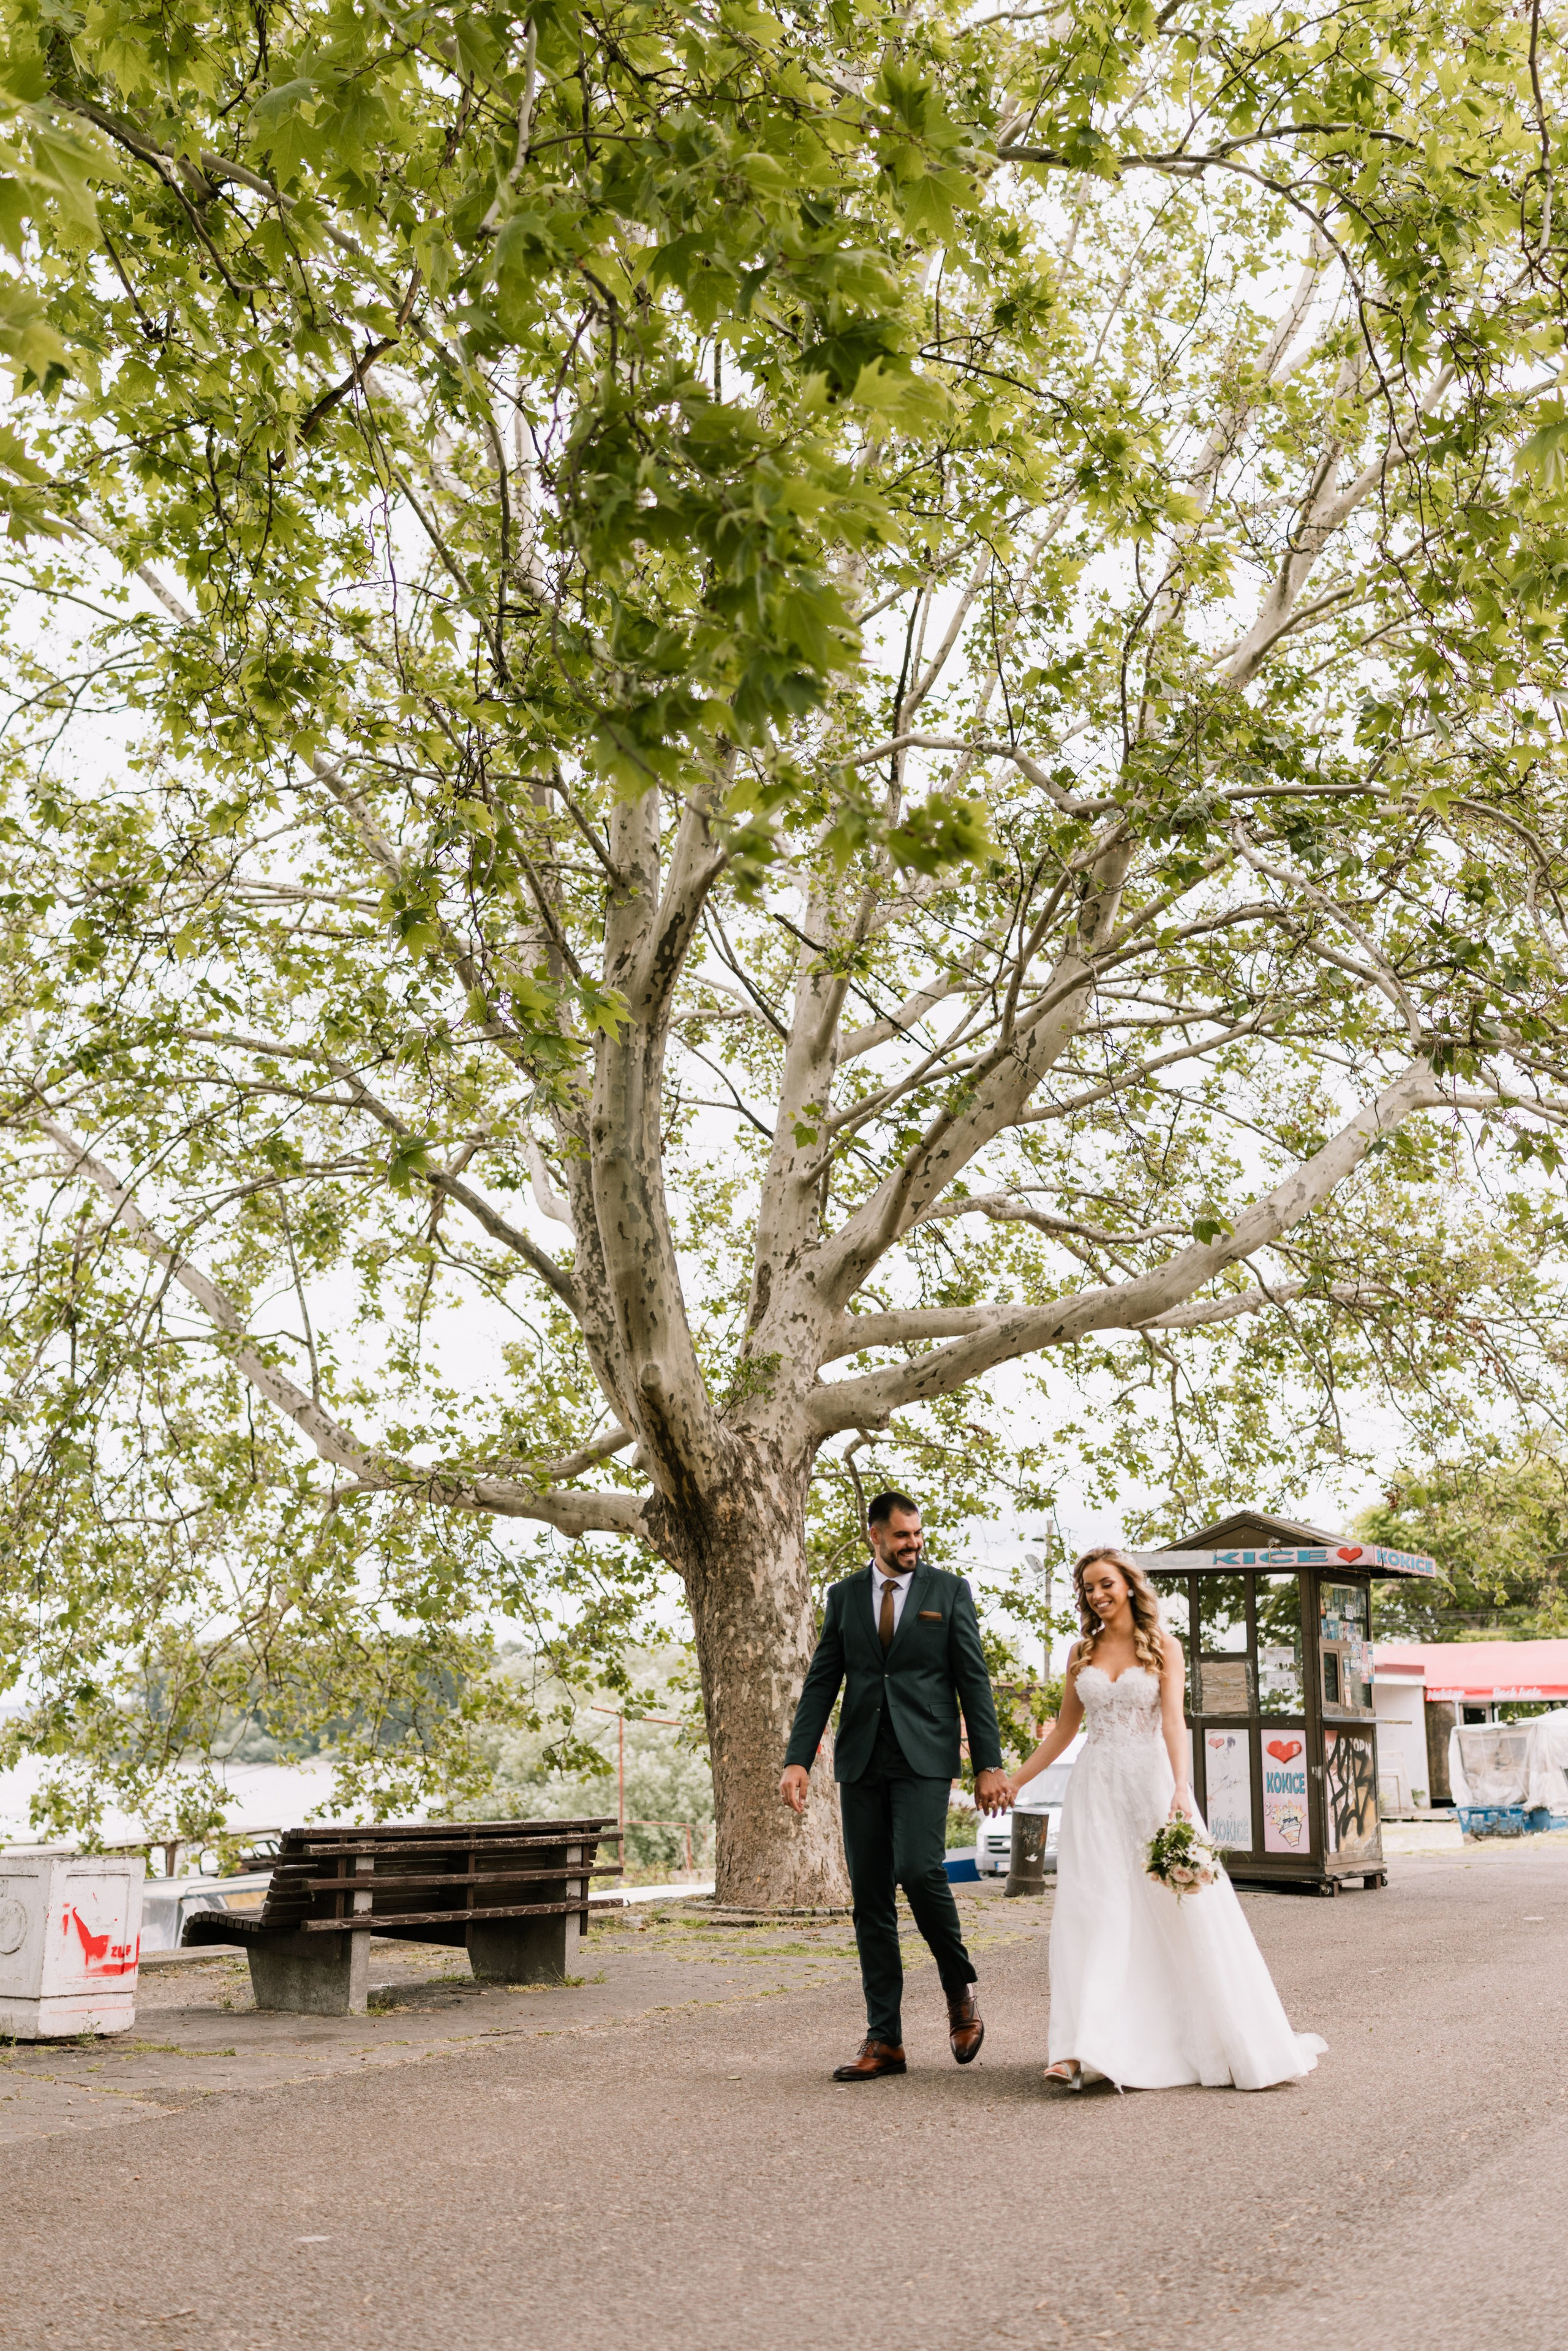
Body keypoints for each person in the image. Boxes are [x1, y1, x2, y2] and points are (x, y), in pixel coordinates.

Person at [1003, 1543, 1327, 2093]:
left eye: (1106, 1583)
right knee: (1094, 1909)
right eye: (1088, 1588)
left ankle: (1198, 2037)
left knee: (1178, 1910)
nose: (1097, 1595)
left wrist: (1181, 1787)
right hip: (1095, 1790)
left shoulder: (1163, 1647)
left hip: (1152, 1786)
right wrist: (1015, 1781)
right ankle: (1079, 2049)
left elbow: (1174, 1723)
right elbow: (1063, 1731)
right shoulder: (1080, 1652)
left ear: (1129, 1585)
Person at [779, 1490, 1011, 2081]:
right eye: (903, 1535)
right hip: (861, 1759)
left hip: (925, 1756)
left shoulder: (948, 1591)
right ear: (875, 1536)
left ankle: (959, 1989)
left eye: (918, 1534)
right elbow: (823, 1680)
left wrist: (988, 1764)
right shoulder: (844, 1596)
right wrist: (797, 1759)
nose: (914, 1544)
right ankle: (885, 2039)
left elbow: (974, 1680)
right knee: (871, 1899)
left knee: (918, 1869)